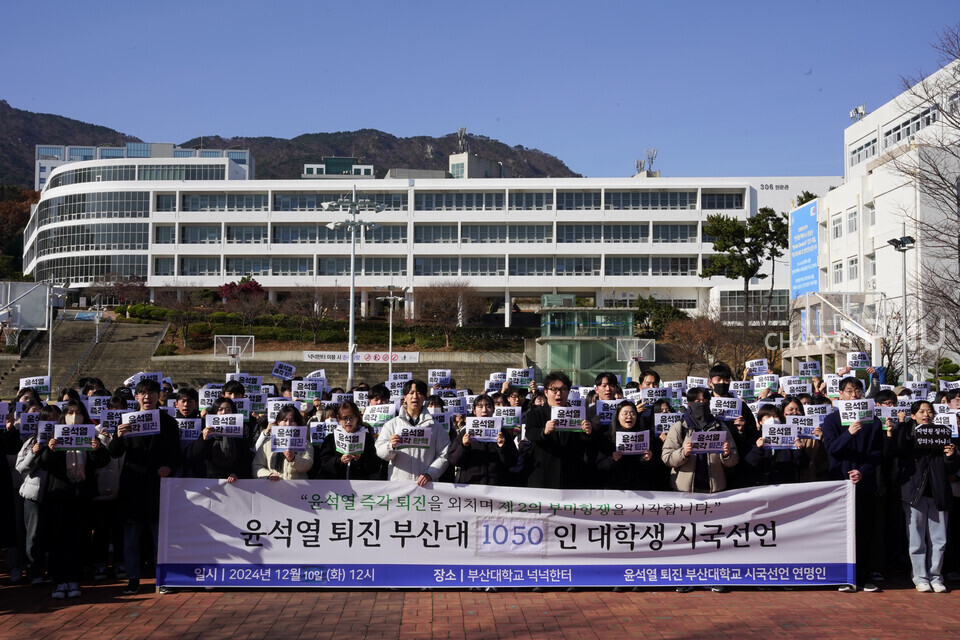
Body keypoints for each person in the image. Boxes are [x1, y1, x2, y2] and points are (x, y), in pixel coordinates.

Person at [107, 378, 181, 596]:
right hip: (132, 486)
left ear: (159, 396)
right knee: (131, 539)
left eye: (151, 393)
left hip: (158, 487)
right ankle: (133, 579)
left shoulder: (168, 422)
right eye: (142, 393)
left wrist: (169, 466)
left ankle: (163, 579)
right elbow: (113, 452)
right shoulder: (125, 420)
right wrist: (119, 437)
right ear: (136, 397)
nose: (147, 397)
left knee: (160, 538)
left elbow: (176, 454)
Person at [662, 386, 738, 593]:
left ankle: (713, 577)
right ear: (689, 403)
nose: (701, 403)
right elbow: (667, 458)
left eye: (705, 400)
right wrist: (683, 453)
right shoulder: (680, 427)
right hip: (686, 493)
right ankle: (685, 578)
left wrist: (726, 454)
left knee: (712, 537)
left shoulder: (720, 426)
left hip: (714, 490)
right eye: (697, 400)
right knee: (686, 537)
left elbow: (733, 459)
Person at [38, 399, 110, 598]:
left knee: (79, 539)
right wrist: (50, 450)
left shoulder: (91, 434)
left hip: (82, 496)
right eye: (70, 412)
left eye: (77, 412)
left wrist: (96, 450)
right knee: (59, 540)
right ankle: (60, 581)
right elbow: (44, 464)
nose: (74, 416)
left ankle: (74, 579)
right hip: (59, 495)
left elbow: (102, 461)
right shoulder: (55, 434)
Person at [821, 376, 884, 593]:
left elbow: (877, 453)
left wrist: (863, 472)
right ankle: (842, 576)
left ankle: (863, 576)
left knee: (864, 530)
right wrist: (849, 433)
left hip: (863, 483)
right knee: (840, 531)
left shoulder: (873, 421)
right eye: (849, 391)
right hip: (838, 484)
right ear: (840, 395)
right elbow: (831, 449)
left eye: (858, 390)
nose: (854, 394)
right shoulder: (832, 421)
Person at [889, 400, 959, 592]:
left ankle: (936, 576)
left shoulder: (942, 434)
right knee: (916, 538)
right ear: (914, 416)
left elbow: (952, 467)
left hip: (938, 492)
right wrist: (901, 425)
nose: (926, 415)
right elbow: (897, 449)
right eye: (921, 411)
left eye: (929, 411)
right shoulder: (908, 433)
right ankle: (920, 577)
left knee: (939, 538)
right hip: (914, 492)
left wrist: (951, 455)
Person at [524, 372, 601, 490]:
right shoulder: (536, 412)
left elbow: (583, 443)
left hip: (570, 475)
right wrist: (543, 431)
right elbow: (530, 433)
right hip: (543, 474)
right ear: (546, 392)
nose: (558, 394)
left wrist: (588, 433)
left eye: (563, 389)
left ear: (568, 392)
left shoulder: (577, 413)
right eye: (554, 390)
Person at [375, 379, 451, 486]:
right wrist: (390, 446)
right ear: (405, 397)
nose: (415, 396)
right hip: (399, 485)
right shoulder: (392, 424)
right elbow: (380, 451)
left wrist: (430, 474)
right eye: (411, 393)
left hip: (427, 485)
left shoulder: (436, 427)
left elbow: (444, 454)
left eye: (419, 393)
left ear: (424, 397)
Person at [447, 394, 519, 486]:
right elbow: (453, 460)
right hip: (470, 486)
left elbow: (513, 462)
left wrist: (502, 448)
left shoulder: (502, 433)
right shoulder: (465, 433)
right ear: (474, 411)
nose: (484, 410)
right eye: (480, 407)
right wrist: (464, 446)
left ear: (493, 410)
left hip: (497, 487)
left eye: (488, 406)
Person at [315, 401, 380, 480]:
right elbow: (322, 462)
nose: (348, 422)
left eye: (352, 417)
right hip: (336, 484)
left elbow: (375, 466)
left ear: (357, 417)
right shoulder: (331, 438)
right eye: (345, 418)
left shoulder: (367, 438)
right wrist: (339, 460)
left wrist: (360, 459)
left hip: (360, 485)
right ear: (338, 418)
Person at [745, 404, 808, 485]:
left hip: (785, 487)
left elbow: (803, 465)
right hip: (761, 487)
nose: (772, 419)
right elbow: (748, 465)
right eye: (767, 416)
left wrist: (799, 450)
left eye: (775, 416)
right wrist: (757, 449)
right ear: (760, 421)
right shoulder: (754, 439)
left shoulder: (790, 437)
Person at [253, 405, 313, 480]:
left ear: (298, 423)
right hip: (273, 487)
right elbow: (257, 466)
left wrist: (293, 459)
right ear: (278, 422)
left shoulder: (305, 443)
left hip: (299, 489)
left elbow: (308, 464)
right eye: (284, 420)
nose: (288, 424)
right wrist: (269, 475)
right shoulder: (268, 443)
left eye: (292, 420)